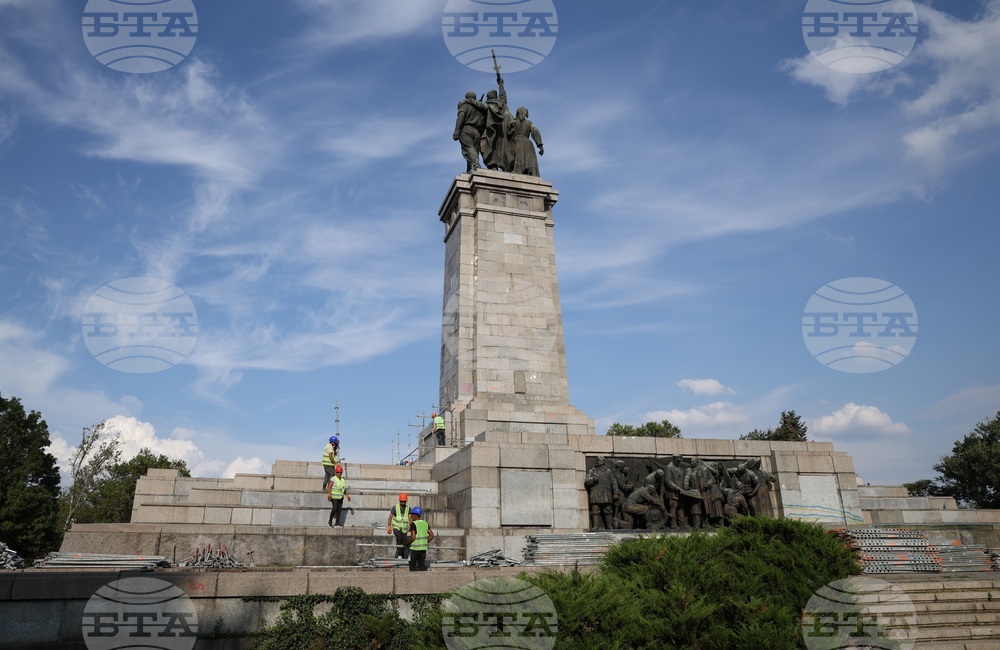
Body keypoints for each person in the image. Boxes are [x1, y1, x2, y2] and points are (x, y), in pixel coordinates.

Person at [481, 72, 514, 171]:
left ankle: (492, 166)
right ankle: (505, 166)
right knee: (503, 150)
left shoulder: (485, 106)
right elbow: (503, 96)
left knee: (489, 148)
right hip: (503, 133)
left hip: (490, 133)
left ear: (488, 97)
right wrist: (501, 85)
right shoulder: (502, 105)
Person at [453, 91, 487, 172]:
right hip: (477, 133)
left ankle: (475, 165)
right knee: (473, 151)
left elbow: (461, 116)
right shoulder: (480, 108)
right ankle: (470, 169)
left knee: (468, 149)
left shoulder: (465, 105)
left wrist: (456, 130)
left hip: (466, 129)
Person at [507, 107, 543, 176]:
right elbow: (535, 132)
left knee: (519, 162)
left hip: (516, 143)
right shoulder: (529, 123)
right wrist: (540, 145)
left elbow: (508, 134)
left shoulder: (513, 122)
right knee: (531, 163)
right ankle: (533, 174)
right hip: (528, 144)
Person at [407, 506, 434, 571]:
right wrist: (425, 542)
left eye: (411, 514)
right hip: (423, 549)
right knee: (421, 566)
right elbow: (432, 535)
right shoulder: (425, 523)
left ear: (415, 515)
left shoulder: (414, 524)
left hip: (415, 549)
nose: (410, 516)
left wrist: (407, 543)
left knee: (412, 565)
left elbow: (413, 537)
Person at [386, 493, 411, 559]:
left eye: (404, 501)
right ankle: (399, 555)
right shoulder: (395, 508)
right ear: (399, 501)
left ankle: (402, 554)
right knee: (399, 538)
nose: (403, 502)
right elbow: (390, 518)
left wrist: (410, 526)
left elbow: (410, 518)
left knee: (404, 541)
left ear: (406, 501)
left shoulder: (408, 509)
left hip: (404, 528)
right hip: (396, 527)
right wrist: (389, 526)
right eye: (402, 501)